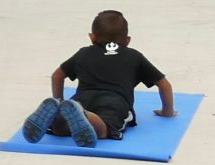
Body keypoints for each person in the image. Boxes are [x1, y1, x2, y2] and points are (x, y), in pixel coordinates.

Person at [20, 9, 174, 148]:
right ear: (127, 40)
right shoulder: (134, 56)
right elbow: (164, 84)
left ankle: (58, 115)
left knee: (61, 129)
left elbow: (57, 75)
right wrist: (167, 111)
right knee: (106, 128)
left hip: (81, 98)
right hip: (115, 101)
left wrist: (59, 99)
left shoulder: (84, 53)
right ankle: (85, 115)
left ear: (92, 37)